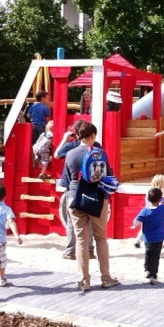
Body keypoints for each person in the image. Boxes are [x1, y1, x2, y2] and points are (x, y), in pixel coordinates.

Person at [65, 121, 120, 291]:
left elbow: (67, 179)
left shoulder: (70, 154)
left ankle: (84, 280)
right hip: (97, 199)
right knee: (100, 238)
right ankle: (105, 277)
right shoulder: (100, 154)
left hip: (75, 198)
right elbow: (108, 176)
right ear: (92, 136)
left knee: (81, 240)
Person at [53, 121, 95, 260]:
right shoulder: (95, 147)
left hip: (73, 186)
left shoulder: (70, 148)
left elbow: (57, 154)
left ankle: (71, 251)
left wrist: (65, 138)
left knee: (72, 221)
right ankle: (89, 250)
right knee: (89, 219)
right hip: (91, 187)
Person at [131, 187, 164, 285]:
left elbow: (135, 222)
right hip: (158, 237)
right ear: (159, 198)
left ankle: (147, 270)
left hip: (147, 237)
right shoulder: (162, 209)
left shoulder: (144, 211)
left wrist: (134, 225)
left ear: (148, 198)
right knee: (155, 256)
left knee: (148, 253)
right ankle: (153, 276)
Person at [134, 174, 164, 248]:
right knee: (156, 227)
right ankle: (153, 241)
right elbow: (160, 203)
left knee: (144, 228)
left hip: (148, 212)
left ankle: (138, 240)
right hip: (156, 212)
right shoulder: (159, 193)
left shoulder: (150, 191)